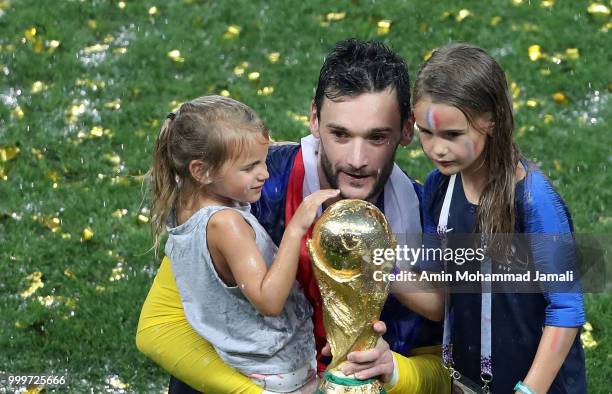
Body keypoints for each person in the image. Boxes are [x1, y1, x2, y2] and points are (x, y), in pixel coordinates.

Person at [136, 39, 449, 393]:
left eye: (377, 137)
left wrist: (394, 371)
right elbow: (158, 325)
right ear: (314, 119)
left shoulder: (431, 218)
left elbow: (454, 370)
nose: (357, 159)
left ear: (407, 130)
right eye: (340, 134)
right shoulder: (250, 185)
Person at [409, 43, 586, 393]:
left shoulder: (534, 201)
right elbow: (439, 300)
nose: (436, 149)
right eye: (425, 132)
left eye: (453, 135)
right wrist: (381, 270)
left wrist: (529, 390)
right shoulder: (437, 189)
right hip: (467, 382)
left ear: (491, 120)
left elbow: (566, 309)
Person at [147, 95, 341, 392]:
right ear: (202, 170)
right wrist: (297, 227)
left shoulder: (185, 203)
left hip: (241, 360)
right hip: (279, 371)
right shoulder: (227, 225)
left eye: (263, 161)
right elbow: (269, 300)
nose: (264, 173)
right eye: (250, 167)